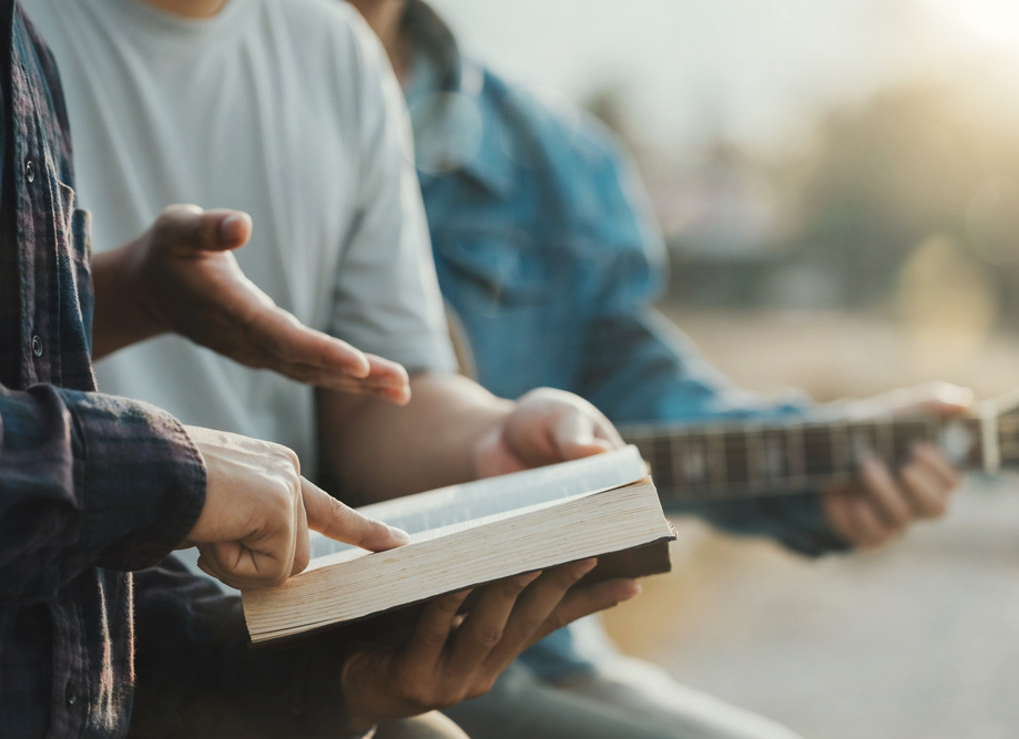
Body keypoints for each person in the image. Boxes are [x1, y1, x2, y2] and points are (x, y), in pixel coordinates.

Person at [0, 1, 638, 737]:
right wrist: (168, 467)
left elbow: (382, 390)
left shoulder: (331, 50)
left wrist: (492, 438)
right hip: (95, 612)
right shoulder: (16, 35)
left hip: (232, 623)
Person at [340, 2, 968, 738]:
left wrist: (814, 460)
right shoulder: (211, 89)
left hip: (515, 650)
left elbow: (628, 396)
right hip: (259, 639)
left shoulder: (559, 161)